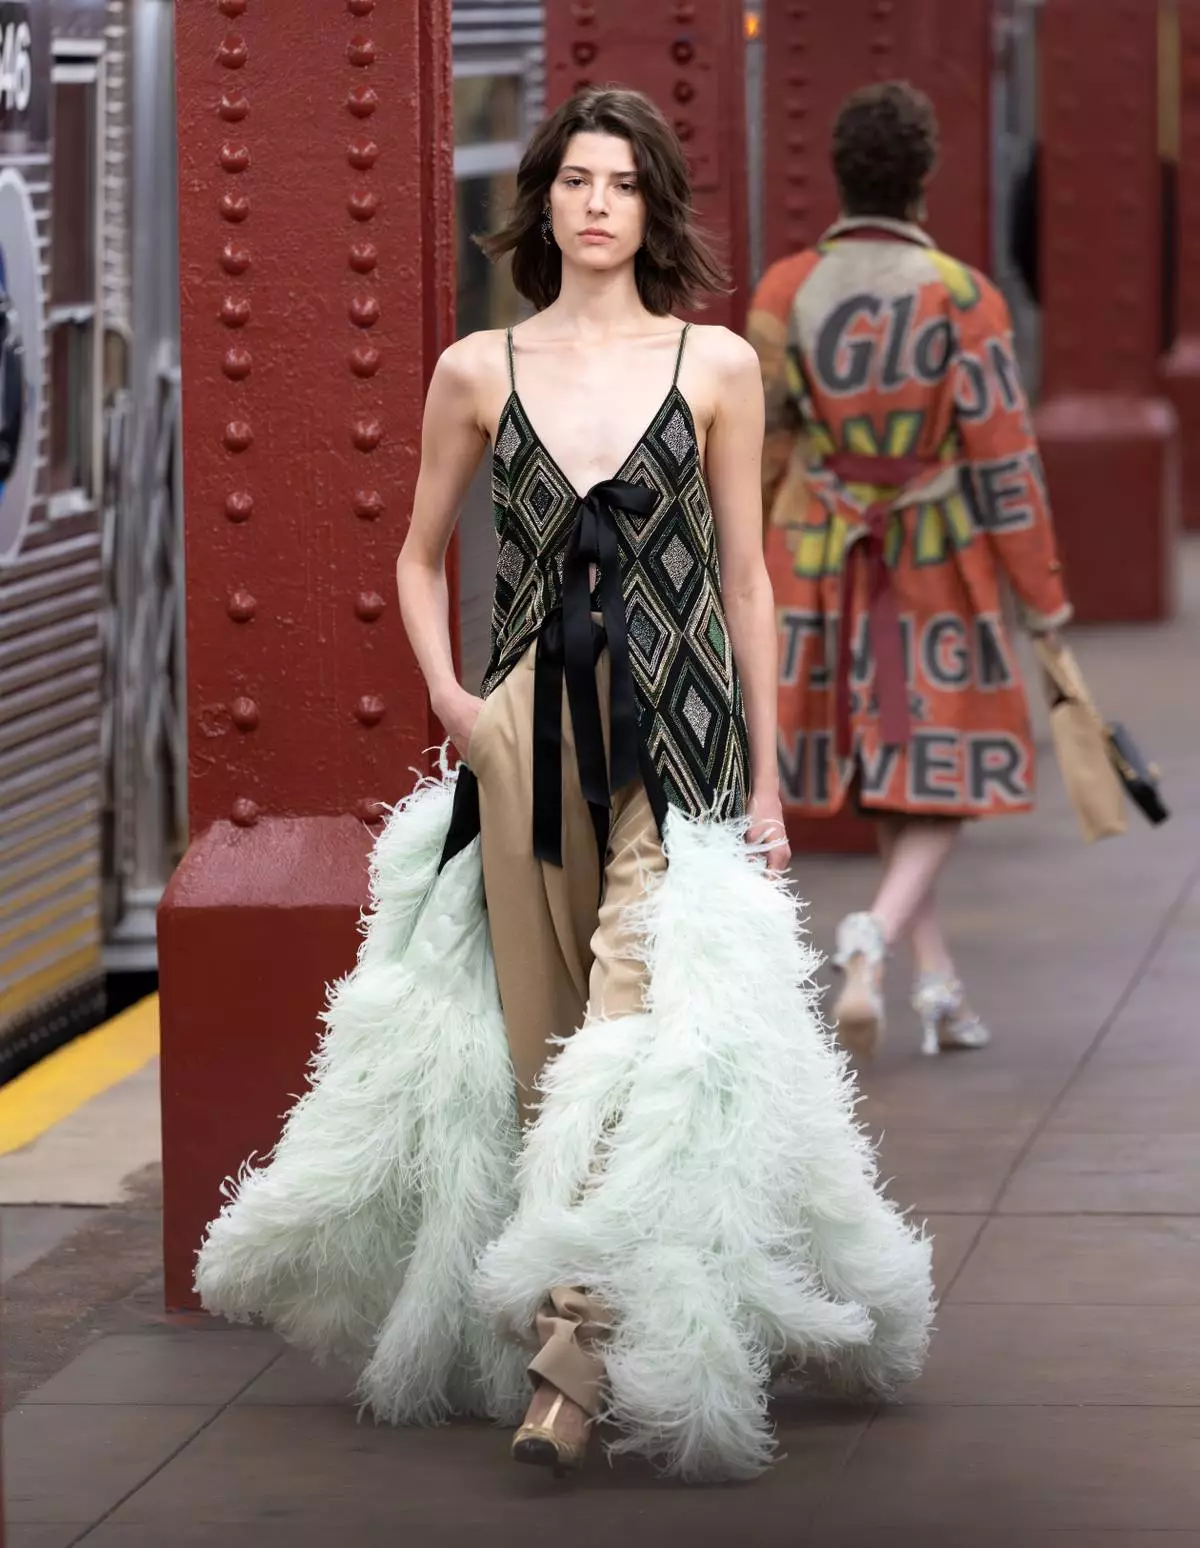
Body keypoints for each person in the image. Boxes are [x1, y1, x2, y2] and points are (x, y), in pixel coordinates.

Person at [194, 86, 932, 1484]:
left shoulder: (717, 365)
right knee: (544, 1051)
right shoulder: (479, 368)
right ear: (545, 202)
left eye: (624, 184)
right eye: (578, 181)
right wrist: (453, 699)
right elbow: (417, 552)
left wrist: (771, 783)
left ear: (654, 210)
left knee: (633, 1037)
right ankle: (575, 1311)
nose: (599, 204)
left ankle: (572, 1367)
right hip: (527, 747)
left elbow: (748, 581)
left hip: (684, 743)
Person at [748, 81, 1073, 1060]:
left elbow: (764, 447)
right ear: (924, 177)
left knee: (895, 784)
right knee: (940, 776)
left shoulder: (785, 290)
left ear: (840, 175)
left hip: (815, 560)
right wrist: (1043, 598)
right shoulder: (963, 296)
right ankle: (875, 936)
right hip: (932, 561)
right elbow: (1005, 459)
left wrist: (740, 568)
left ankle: (938, 987)